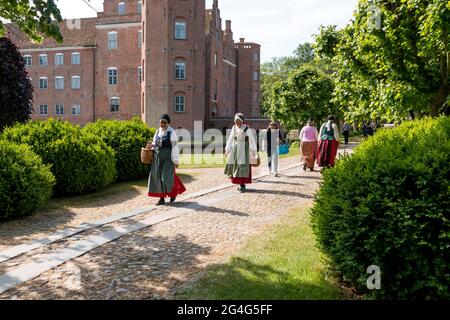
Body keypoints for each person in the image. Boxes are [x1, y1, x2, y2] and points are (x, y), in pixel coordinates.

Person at [147, 114, 186, 206]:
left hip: (168, 158)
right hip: (158, 157)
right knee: (158, 177)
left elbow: (175, 147)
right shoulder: (157, 132)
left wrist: (176, 161)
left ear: (168, 123)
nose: (162, 124)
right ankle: (161, 199)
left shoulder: (171, 132)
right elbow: (154, 142)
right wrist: (152, 146)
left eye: (164, 122)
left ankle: (173, 193)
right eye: (160, 122)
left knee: (165, 177)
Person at [224, 113, 258, 192]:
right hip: (236, 148)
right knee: (235, 166)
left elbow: (252, 140)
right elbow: (231, 139)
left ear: (242, 121)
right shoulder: (234, 128)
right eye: (235, 121)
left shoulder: (246, 128)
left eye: (238, 121)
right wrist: (227, 149)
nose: (236, 122)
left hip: (244, 149)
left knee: (242, 167)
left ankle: (242, 184)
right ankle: (239, 183)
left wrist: (253, 150)